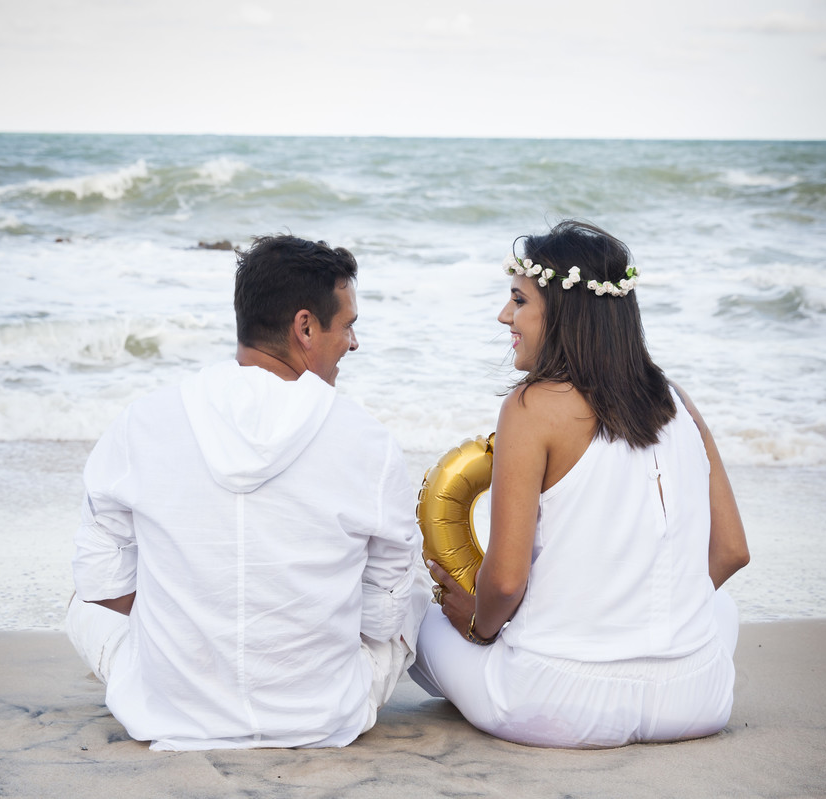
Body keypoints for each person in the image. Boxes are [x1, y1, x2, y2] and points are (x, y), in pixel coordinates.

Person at [66, 234, 429, 751]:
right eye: (348, 325)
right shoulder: (370, 441)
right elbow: (382, 617)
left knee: (83, 592)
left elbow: (103, 585)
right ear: (306, 327)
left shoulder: (143, 422)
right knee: (410, 581)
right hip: (322, 714)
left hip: (172, 713)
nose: (353, 343)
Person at [409, 220, 750, 748]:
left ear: (564, 311)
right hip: (695, 699)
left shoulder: (531, 406)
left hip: (557, 704)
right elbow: (731, 552)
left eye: (519, 300)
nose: (505, 316)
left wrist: (477, 626)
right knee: (720, 611)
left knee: (418, 617)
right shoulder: (678, 402)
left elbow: (505, 584)